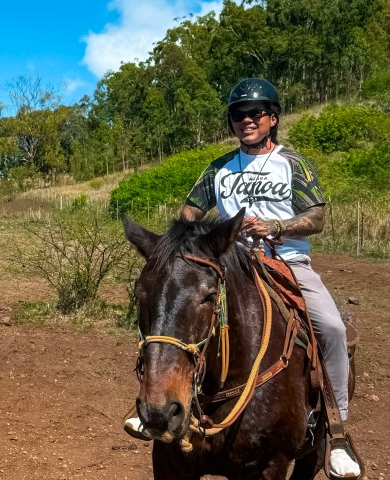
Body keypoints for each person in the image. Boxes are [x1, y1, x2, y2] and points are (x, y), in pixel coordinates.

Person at [124, 78, 360, 478]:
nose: (246, 121)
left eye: (255, 113)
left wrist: (274, 225)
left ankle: (335, 431)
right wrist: (174, 249)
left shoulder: (293, 164)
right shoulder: (218, 169)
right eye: (238, 115)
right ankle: (152, 402)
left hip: (284, 260)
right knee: (172, 309)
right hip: (225, 261)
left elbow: (316, 217)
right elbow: (189, 216)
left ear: (272, 117)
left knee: (333, 329)